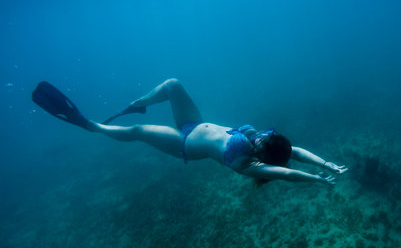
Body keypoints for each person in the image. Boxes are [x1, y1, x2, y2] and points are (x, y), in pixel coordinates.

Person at [32, 79, 348, 184]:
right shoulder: (266, 143)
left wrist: (318, 180)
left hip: (183, 142)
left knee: (140, 131)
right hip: (193, 123)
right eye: (266, 135)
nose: (261, 136)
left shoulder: (250, 165)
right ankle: (138, 102)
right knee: (172, 84)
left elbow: (288, 173)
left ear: (265, 155)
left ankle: (92, 126)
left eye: (264, 141)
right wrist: (327, 164)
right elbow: (296, 152)